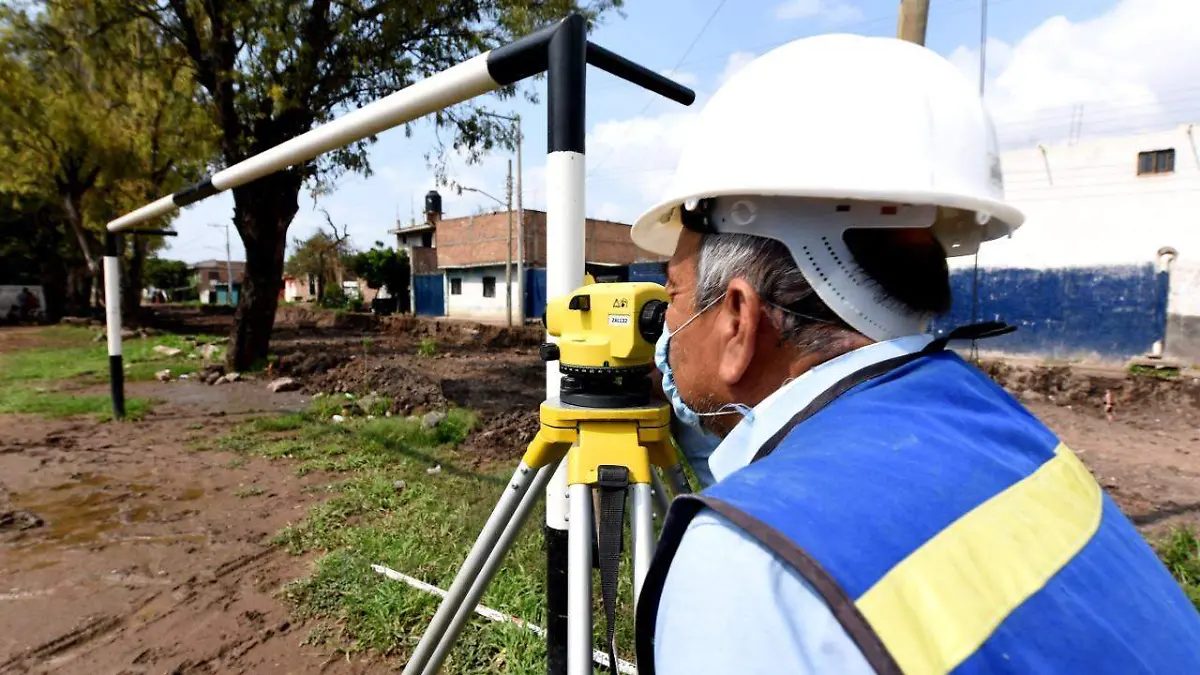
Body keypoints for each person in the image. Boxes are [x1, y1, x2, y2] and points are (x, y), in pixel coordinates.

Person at [630, 34, 1200, 675]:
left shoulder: (749, 558)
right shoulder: (1006, 432)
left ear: (738, 319)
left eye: (673, 295)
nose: (666, 327)